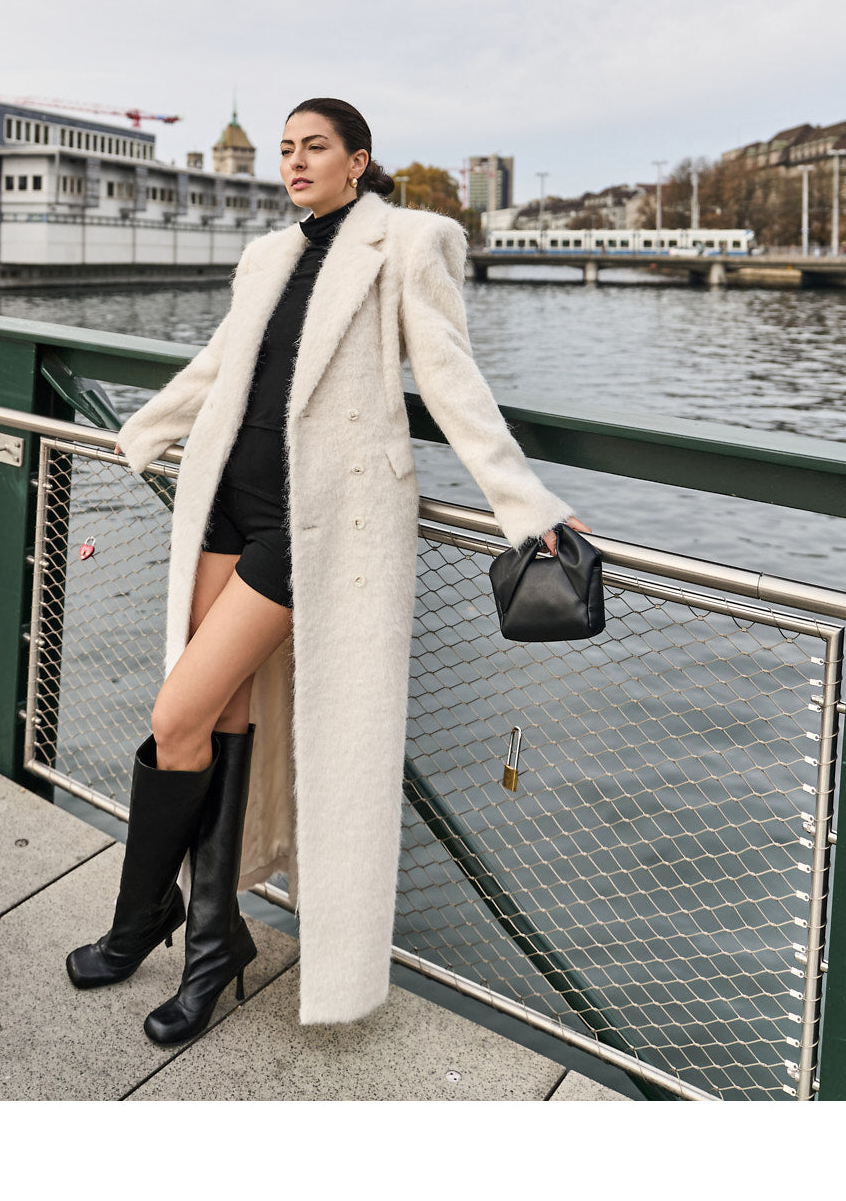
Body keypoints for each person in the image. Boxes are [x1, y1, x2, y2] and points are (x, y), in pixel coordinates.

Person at [66, 97, 588, 1041]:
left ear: (358, 160)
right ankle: (210, 939)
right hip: (223, 502)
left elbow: (453, 381)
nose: (296, 162)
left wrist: (525, 505)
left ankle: (144, 918)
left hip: (310, 525)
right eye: (285, 150)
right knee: (216, 721)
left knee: (174, 716)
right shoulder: (267, 255)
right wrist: (144, 430)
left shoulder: (410, 244)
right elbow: (222, 367)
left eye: (315, 147)